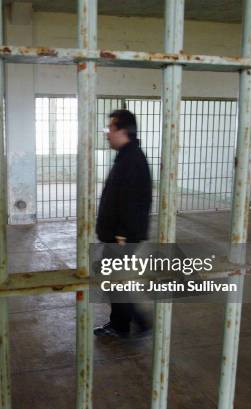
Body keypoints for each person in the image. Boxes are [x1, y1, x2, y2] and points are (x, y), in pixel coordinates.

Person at [93, 109, 153, 339]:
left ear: (123, 130)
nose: (107, 134)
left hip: (122, 237)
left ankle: (133, 323)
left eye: (110, 129)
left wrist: (122, 235)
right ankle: (125, 323)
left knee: (115, 281)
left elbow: (133, 202)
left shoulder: (132, 159)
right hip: (119, 235)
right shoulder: (127, 156)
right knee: (116, 280)